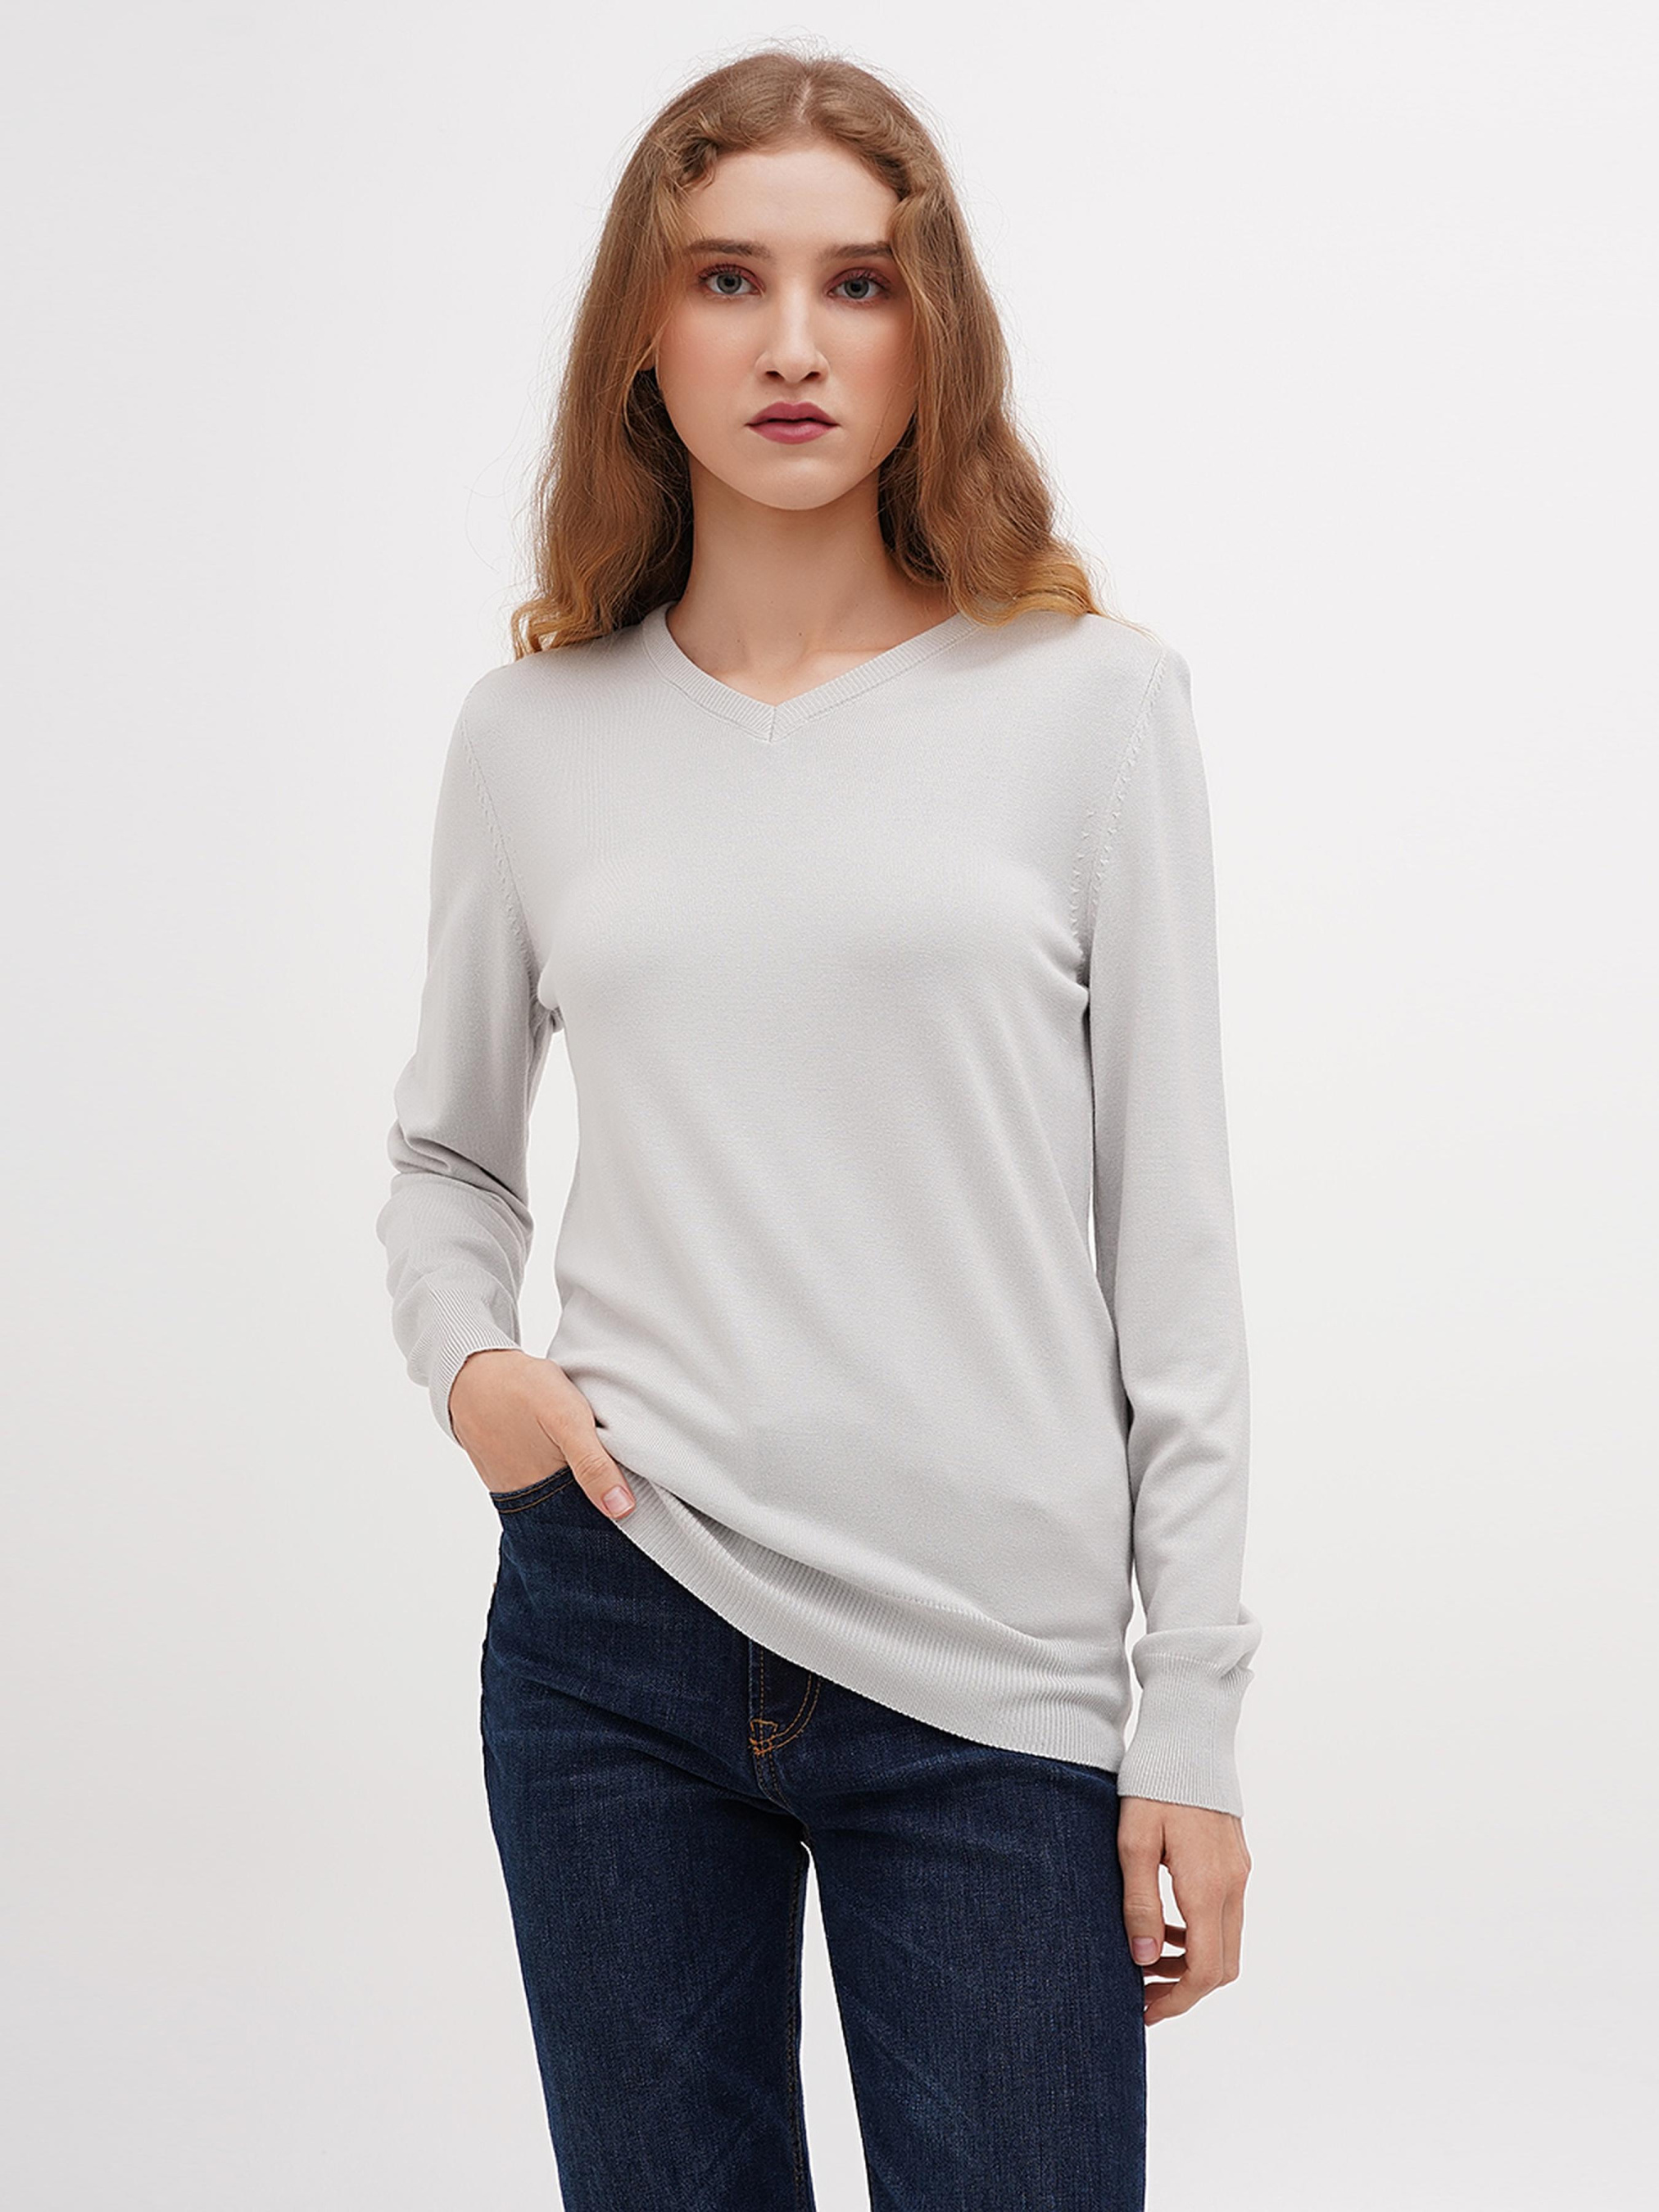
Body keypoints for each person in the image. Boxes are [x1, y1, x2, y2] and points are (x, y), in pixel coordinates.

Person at [375, 43, 1261, 2212]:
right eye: (727, 279)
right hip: (616, 1627)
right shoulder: (531, 736)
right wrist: (475, 1369)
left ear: (931, 330)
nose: (792, 343)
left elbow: (1171, 1244)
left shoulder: (1090, 707)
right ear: (641, 333)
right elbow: (448, 1157)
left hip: (992, 1668)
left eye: (858, 282)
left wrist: (1190, 1721)